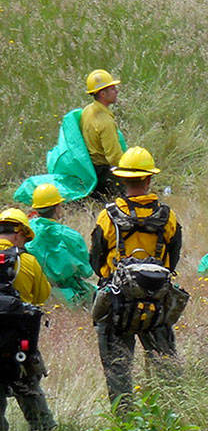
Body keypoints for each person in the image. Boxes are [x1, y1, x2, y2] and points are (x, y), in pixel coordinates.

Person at [89, 147, 183, 408]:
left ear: (122, 179)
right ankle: (169, 414)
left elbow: (96, 263)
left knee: (118, 372)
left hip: (117, 304)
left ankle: (125, 425)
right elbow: (172, 261)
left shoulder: (107, 216)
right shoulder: (168, 217)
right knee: (166, 367)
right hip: (157, 303)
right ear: (149, 179)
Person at [0, 232, 54, 431]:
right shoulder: (27, 261)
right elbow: (42, 295)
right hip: (18, 341)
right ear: (19, 234)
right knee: (29, 386)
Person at [22, 186, 95, 304]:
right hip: (67, 295)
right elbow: (86, 272)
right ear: (57, 208)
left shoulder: (25, 230)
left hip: (33, 292)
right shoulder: (70, 236)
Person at [81, 69, 125, 201]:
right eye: (112, 89)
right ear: (103, 94)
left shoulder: (88, 110)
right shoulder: (105, 122)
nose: (116, 91)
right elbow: (115, 158)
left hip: (91, 169)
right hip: (103, 173)